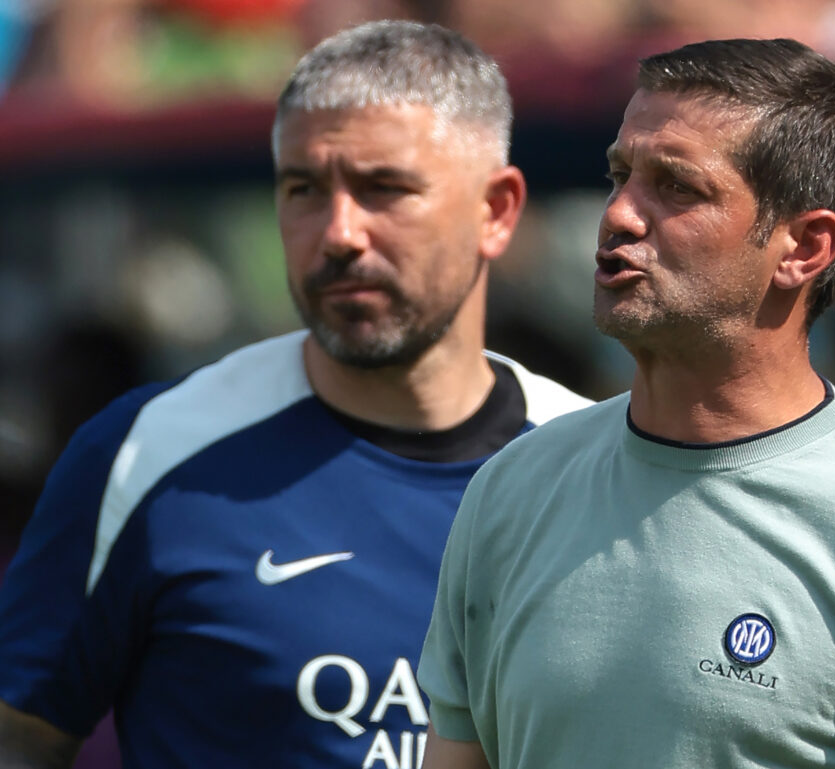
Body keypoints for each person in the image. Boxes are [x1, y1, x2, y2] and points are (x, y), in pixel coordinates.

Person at [416, 37, 835, 769]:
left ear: (804, 248)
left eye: (676, 187)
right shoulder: (511, 490)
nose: (619, 215)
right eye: (619, 175)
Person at [0, 20, 590, 768]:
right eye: (303, 189)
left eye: (384, 188)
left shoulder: (597, 468)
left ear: (495, 210)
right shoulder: (147, 451)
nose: (339, 232)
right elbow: (20, 739)